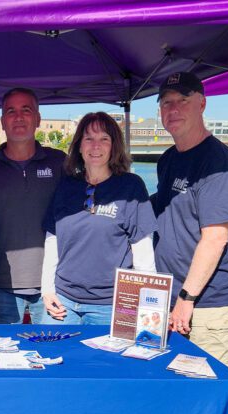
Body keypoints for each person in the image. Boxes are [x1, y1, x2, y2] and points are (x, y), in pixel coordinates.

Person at [150, 71, 228, 371]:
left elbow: (216, 238)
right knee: (170, 385)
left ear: (202, 104)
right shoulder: (168, 158)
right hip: (168, 296)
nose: (173, 109)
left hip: (204, 304)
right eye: (166, 103)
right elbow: (162, 209)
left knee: (206, 385)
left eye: (183, 100)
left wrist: (186, 298)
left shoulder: (218, 163)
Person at [41, 112, 157, 325]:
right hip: (63, 300)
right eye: (89, 138)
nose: (96, 146)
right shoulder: (66, 186)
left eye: (104, 139)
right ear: (79, 145)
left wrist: (148, 308)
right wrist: (47, 290)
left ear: (114, 146)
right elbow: (52, 241)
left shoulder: (131, 187)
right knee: (50, 346)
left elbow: (143, 251)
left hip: (111, 304)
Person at [0, 87, 66, 324]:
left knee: (56, 348)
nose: (19, 117)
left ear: (38, 119)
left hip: (54, 286)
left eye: (26, 110)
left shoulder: (60, 162)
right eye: (11, 111)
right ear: (2, 122)